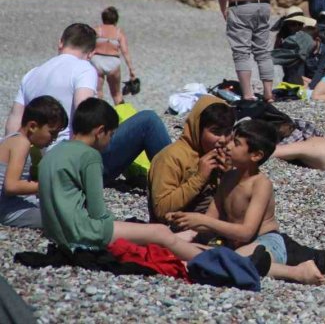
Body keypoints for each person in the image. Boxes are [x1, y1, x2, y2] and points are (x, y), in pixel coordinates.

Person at [168, 120, 325, 284]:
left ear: (256, 156)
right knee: (201, 253)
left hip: (266, 242)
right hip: (242, 243)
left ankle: (302, 271)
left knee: (231, 260)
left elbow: (246, 232)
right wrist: (185, 222)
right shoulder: (227, 178)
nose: (227, 146)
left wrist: (200, 222)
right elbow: (210, 222)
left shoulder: (261, 184)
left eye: (236, 143)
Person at [38, 99, 204, 262]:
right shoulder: (90, 156)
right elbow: (98, 213)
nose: (110, 140)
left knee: (150, 233)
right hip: (82, 233)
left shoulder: (54, 153)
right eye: (111, 135)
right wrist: (122, 230)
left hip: (55, 233)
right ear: (100, 132)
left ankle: (181, 241)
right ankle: (210, 261)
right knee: (160, 232)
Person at [5, 23, 171, 182]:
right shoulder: (83, 68)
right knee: (148, 121)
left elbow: (13, 127)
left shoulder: (32, 74)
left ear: (61, 42)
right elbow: (85, 115)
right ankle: (175, 179)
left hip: (42, 164)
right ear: (91, 53)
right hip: (72, 165)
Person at [148, 96, 234, 223]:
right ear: (197, 128)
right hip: (177, 231)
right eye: (216, 132)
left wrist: (229, 175)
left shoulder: (224, 156)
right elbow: (161, 209)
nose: (222, 140)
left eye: (227, 133)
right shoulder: (172, 157)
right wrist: (199, 178)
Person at [0, 96, 67, 228]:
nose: (53, 139)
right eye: (52, 133)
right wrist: (47, 186)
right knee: (63, 219)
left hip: (9, 204)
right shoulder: (22, 144)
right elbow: (11, 186)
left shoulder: (12, 139)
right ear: (32, 126)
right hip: (7, 209)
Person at [91, 6, 137, 105]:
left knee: (98, 92)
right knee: (116, 94)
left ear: (103, 18)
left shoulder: (97, 30)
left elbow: (87, 45)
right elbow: (125, 52)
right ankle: (123, 117)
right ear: (116, 19)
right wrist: (131, 70)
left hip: (97, 61)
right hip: (113, 62)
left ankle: (98, 117)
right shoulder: (119, 33)